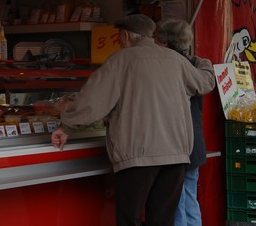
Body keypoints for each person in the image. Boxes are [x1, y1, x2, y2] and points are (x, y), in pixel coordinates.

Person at [51, 14, 215, 226]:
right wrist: (204, 62)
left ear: (126, 36)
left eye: (119, 36)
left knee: (130, 219)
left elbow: (92, 101)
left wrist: (66, 126)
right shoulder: (176, 60)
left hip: (138, 156)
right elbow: (205, 82)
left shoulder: (120, 60)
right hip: (176, 156)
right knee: (162, 221)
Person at [155, 18, 211, 226]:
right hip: (194, 143)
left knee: (175, 201)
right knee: (189, 196)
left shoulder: (166, 68)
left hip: (175, 144)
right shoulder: (197, 65)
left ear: (165, 42)